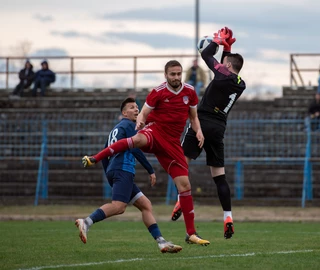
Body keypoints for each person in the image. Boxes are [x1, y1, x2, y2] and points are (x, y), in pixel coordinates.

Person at [81, 60, 210, 246]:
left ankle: (191, 233)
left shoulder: (189, 91)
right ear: (165, 75)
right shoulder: (157, 92)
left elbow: (194, 117)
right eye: (172, 74)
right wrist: (140, 122)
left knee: (184, 185)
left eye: (178, 74)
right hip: (156, 131)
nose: (176, 77)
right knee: (137, 140)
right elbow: (143, 113)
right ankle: (95, 157)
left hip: (172, 144)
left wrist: (198, 130)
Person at [75, 97, 182, 253]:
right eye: (132, 107)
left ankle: (161, 242)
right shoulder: (130, 125)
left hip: (116, 170)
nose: (137, 109)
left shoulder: (115, 129)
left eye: (137, 107)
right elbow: (135, 148)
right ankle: (86, 221)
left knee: (145, 205)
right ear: (124, 113)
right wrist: (150, 169)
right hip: (123, 169)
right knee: (119, 207)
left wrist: (110, 174)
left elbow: (105, 154)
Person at [171, 27, 246, 240]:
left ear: (228, 66)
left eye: (225, 63)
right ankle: (228, 217)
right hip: (219, 127)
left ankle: (180, 199)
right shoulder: (240, 83)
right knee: (219, 177)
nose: (222, 65)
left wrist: (216, 40)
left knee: (181, 163)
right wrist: (228, 48)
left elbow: (205, 54)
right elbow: (221, 71)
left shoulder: (223, 74)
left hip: (201, 122)